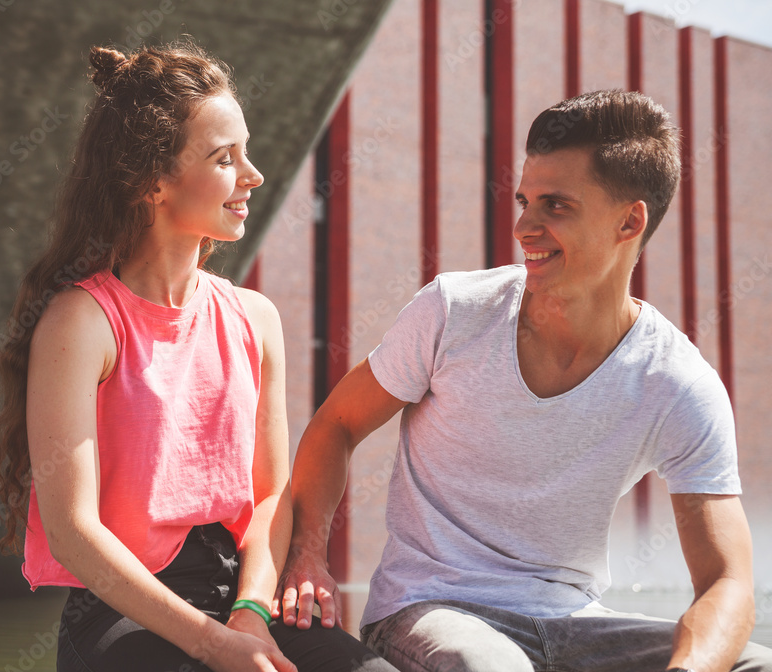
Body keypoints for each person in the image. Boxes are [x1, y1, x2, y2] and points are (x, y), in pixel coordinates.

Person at [274, 90, 772, 671]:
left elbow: (728, 580)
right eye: (523, 200)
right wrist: (308, 553)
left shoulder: (677, 383)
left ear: (628, 221)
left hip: (575, 624)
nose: (523, 226)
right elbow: (337, 423)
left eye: (555, 206)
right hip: (433, 609)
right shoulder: (453, 311)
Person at [0, 41, 397, 672]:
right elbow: (71, 530)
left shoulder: (256, 318)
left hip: (239, 600)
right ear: (153, 182)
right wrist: (212, 645)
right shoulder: (82, 323)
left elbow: (269, 497)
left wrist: (250, 616)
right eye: (224, 158)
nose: (253, 174)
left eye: (246, 152)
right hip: (121, 617)